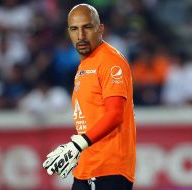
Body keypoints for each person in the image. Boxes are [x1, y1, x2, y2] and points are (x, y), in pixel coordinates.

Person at [43, 4, 136, 190]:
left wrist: (76, 145)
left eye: (87, 27)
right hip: (86, 167)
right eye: (75, 29)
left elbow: (115, 114)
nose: (81, 36)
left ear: (100, 28)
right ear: (68, 32)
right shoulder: (84, 66)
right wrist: (79, 150)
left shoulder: (111, 61)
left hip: (109, 169)